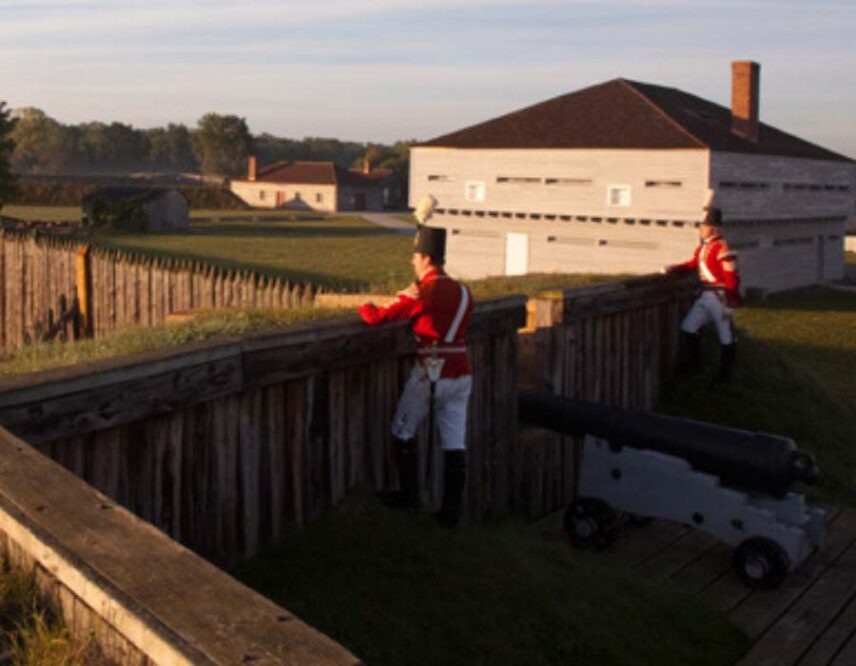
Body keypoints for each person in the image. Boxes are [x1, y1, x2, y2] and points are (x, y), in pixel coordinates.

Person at [357, 222, 474, 527]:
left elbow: (375, 317)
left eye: (414, 256)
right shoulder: (464, 292)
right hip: (462, 371)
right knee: (454, 442)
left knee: (402, 430)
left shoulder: (424, 290)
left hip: (430, 371)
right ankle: (450, 513)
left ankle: (409, 496)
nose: (412, 261)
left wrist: (363, 304)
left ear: (424, 258)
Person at [664, 207, 742, 382]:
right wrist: (674, 268)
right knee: (688, 327)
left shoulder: (722, 248)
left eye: (704, 226)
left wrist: (731, 298)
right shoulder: (703, 248)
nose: (701, 229)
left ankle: (725, 374)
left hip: (719, 297)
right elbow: (693, 264)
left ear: (713, 229)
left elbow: (731, 277)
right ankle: (695, 364)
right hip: (706, 296)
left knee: (726, 336)